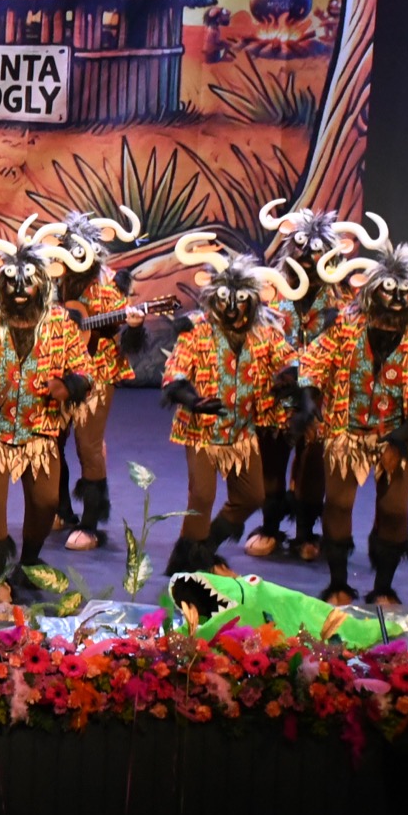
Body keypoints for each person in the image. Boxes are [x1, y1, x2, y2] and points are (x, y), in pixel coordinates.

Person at [295, 216, 408, 605]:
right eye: (389, 290)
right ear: (373, 290)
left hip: (398, 432)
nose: (397, 298)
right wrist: (309, 403)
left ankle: (384, 586)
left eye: (405, 291)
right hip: (346, 430)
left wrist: (399, 441)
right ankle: (338, 583)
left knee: (394, 511)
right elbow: (313, 362)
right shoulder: (346, 324)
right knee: (338, 504)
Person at [0, 224, 96, 603]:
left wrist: (69, 385)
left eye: (27, 282)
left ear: (41, 285)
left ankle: (29, 561)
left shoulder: (61, 324)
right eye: (13, 281)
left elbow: (86, 370)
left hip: (40, 432)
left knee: (46, 502)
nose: (19, 289)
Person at [159, 234, 307, 576]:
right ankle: (191, 568)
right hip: (202, 432)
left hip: (241, 432)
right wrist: (193, 400)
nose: (231, 307)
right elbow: (175, 372)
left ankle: (204, 548)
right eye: (225, 299)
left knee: (251, 496)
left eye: (240, 300)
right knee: (201, 497)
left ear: (251, 301)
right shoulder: (197, 330)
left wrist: (289, 378)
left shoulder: (265, 332)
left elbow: (290, 360)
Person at [249, 200, 350, 560]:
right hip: (277, 392)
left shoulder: (343, 300)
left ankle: (306, 532)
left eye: (316, 251)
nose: (308, 258)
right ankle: (270, 526)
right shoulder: (272, 293)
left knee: (312, 468)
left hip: (321, 397)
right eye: (302, 249)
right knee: (272, 464)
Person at [43, 208, 147, 550]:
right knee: (51, 441)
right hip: (57, 372)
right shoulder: (52, 283)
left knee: (88, 446)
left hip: (96, 375)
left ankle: (90, 523)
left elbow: (125, 336)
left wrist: (133, 326)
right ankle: (61, 509)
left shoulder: (107, 288)